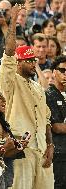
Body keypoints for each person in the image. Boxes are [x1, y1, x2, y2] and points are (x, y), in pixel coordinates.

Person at [0, 5, 54, 189]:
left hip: (42, 150)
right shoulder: (10, 80)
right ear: (18, 63)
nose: (32, 63)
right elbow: (9, 52)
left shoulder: (38, 87)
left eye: (33, 60)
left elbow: (46, 118)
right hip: (21, 149)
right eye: (28, 60)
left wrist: (51, 145)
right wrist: (13, 22)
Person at [45, 55, 66, 189]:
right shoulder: (49, 94)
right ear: (54, 72)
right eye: (62, 70)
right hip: (59, 153)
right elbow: (57, 127)